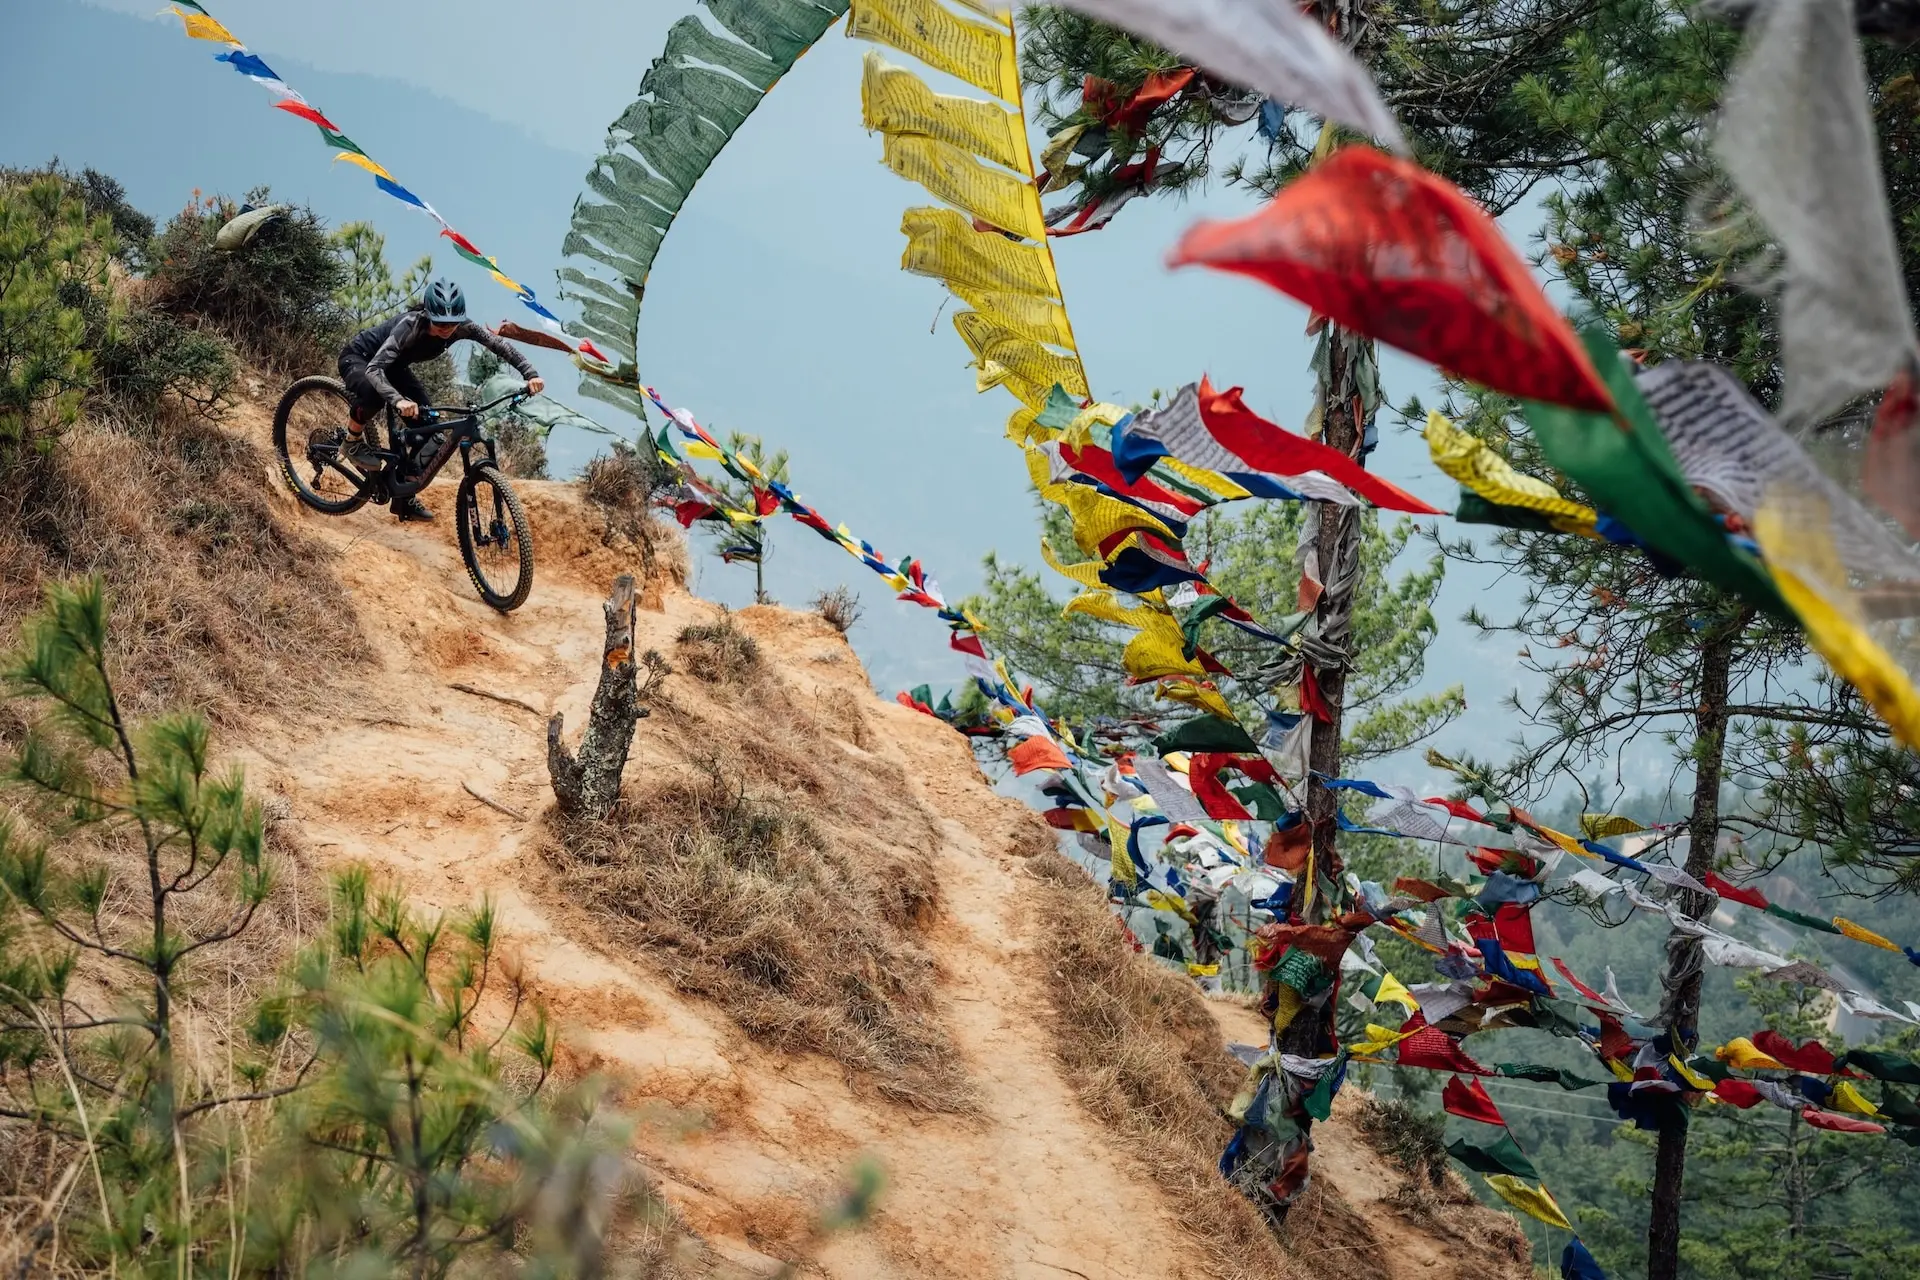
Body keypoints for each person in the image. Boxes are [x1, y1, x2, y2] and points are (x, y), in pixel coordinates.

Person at [338, 277, 545, 521]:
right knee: (374, 395)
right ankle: (351, 441)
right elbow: (374, 370)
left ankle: (403, 496)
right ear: (427, 314)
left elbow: (498, 345)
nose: (446, 329)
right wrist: (398, 401)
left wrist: (529, 373)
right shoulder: (410, 325)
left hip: (394, 368)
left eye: (452, 323)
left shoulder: (464, 327)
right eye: (439, 323)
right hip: (361, 359)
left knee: (429, 426)